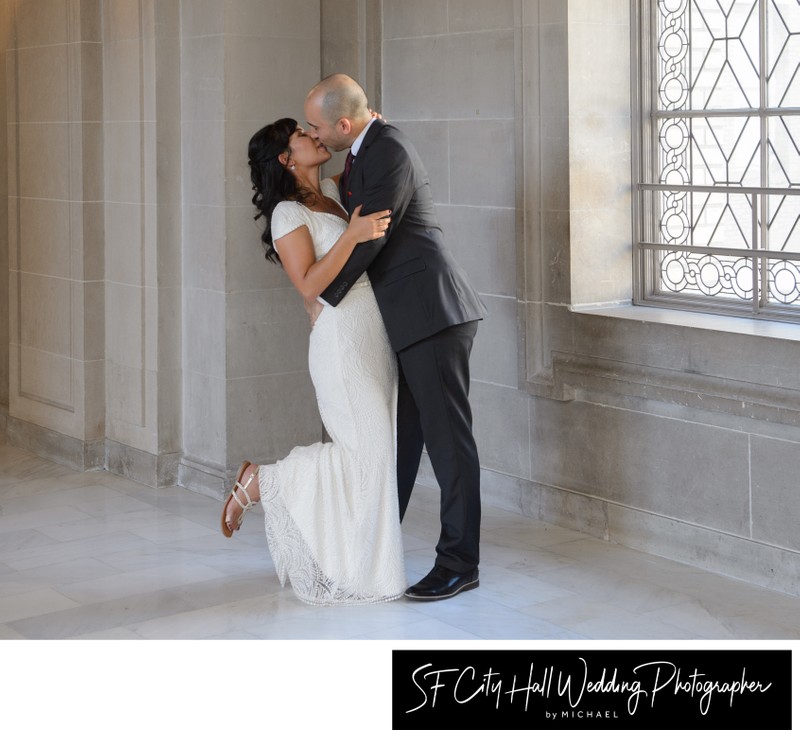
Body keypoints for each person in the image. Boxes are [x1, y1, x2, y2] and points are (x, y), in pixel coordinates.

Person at [304, 74, 488, 601]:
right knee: (400, 445)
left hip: (432, 312)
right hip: (407, 318)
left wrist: (321, 295)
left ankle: (460, 563)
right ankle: (369, 553)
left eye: (318, 127)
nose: (314, 136)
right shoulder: (364, 151)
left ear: (344, 124)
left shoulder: (389, 149)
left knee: (449, 443)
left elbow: (371, 236)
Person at [221, 117, 406, 606]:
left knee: (377, 456)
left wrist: (373, 126)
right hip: (340, 340)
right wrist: (352, 235)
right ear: (286, 158)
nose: (313, 136)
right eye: (302, 135)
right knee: (366, 452)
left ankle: (364, 571)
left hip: (372, 330)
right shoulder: (286, 213)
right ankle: (263, 480)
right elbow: (307, 285)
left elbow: (363, 154)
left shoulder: (331, 190)